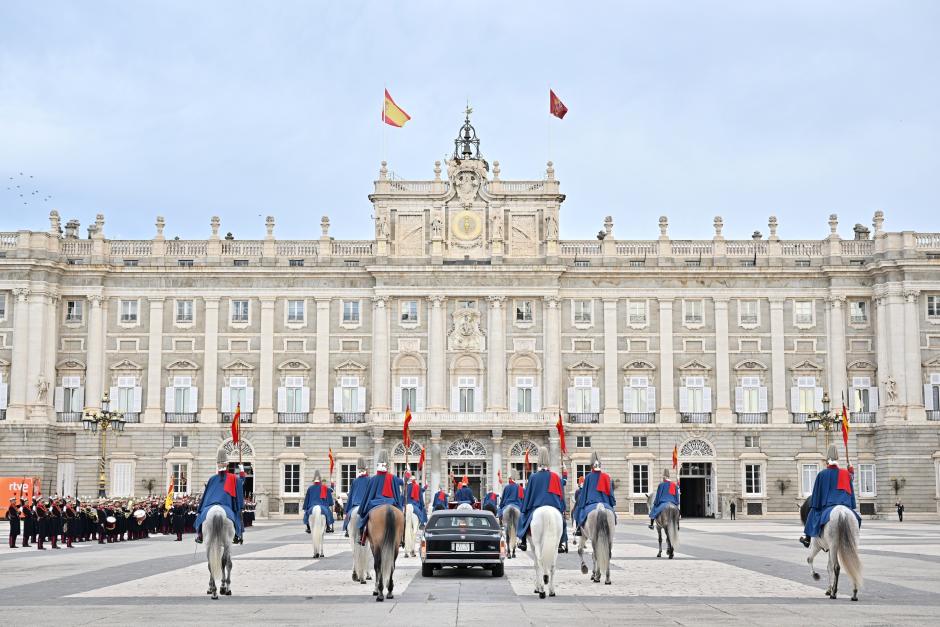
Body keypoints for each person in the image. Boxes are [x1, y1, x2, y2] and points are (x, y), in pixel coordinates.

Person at [800, 445, 860, 548]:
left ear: (827, 459)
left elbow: (816, 495)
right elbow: (851, 480)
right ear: (837, 458)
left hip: (827, 506)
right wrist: (850, 468)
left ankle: (807, 539)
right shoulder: (845, 473)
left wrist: (815, 505)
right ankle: (853, 537)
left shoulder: (822, 474)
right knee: (856, 518)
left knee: (812, 513)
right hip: (844, 505)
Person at [516, 447, 565, 552]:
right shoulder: (555, 476)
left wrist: (524, 508)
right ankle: (561, 543)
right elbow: (561, 495)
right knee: (562, 522)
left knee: (523, 518)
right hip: (554, 506)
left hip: (537, 506)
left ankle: (523, 541)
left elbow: (528, 495)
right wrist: (562, 507)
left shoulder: (533, 477)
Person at [194, 450, 246, 545]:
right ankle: (236, 535)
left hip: (210, 504)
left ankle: (200, 535)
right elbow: (241, 482)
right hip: (226, 505)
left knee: (202, 513)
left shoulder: (212, 479)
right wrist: (242, 471)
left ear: (218, 465)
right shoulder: (233, 477)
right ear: (227, 465)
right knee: (237, 514)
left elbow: (206, 496)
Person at [357, 450, 404, 546]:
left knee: (364, 517)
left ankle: (362, 536)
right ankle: (401, 539)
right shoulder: (393, 478)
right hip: (391, 502)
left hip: (375, 503)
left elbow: (368, 495)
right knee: (402, 518)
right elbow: (402, 483)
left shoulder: (373, 479)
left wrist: (362, 508)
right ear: (387, 466)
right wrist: (406, 475)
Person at [573, 453, 617, 532]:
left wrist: (581, 503)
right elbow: (611, 493)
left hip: (591, 502)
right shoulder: (606, 477)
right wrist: (612, 503)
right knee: (613, 515)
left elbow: (584, 493)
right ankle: (614, 523)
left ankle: (578, 529)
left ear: (591, 465)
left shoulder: (588, 477)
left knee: (578, 512)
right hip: (605, 503)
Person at [343, 457, 370, 537]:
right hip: (365, 505)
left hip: (355, 504)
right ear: (366, 469)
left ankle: (347, 530)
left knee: (349, 516)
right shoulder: (370, 480)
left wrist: (347, 509)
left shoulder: (355, 481)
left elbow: (351, 495)